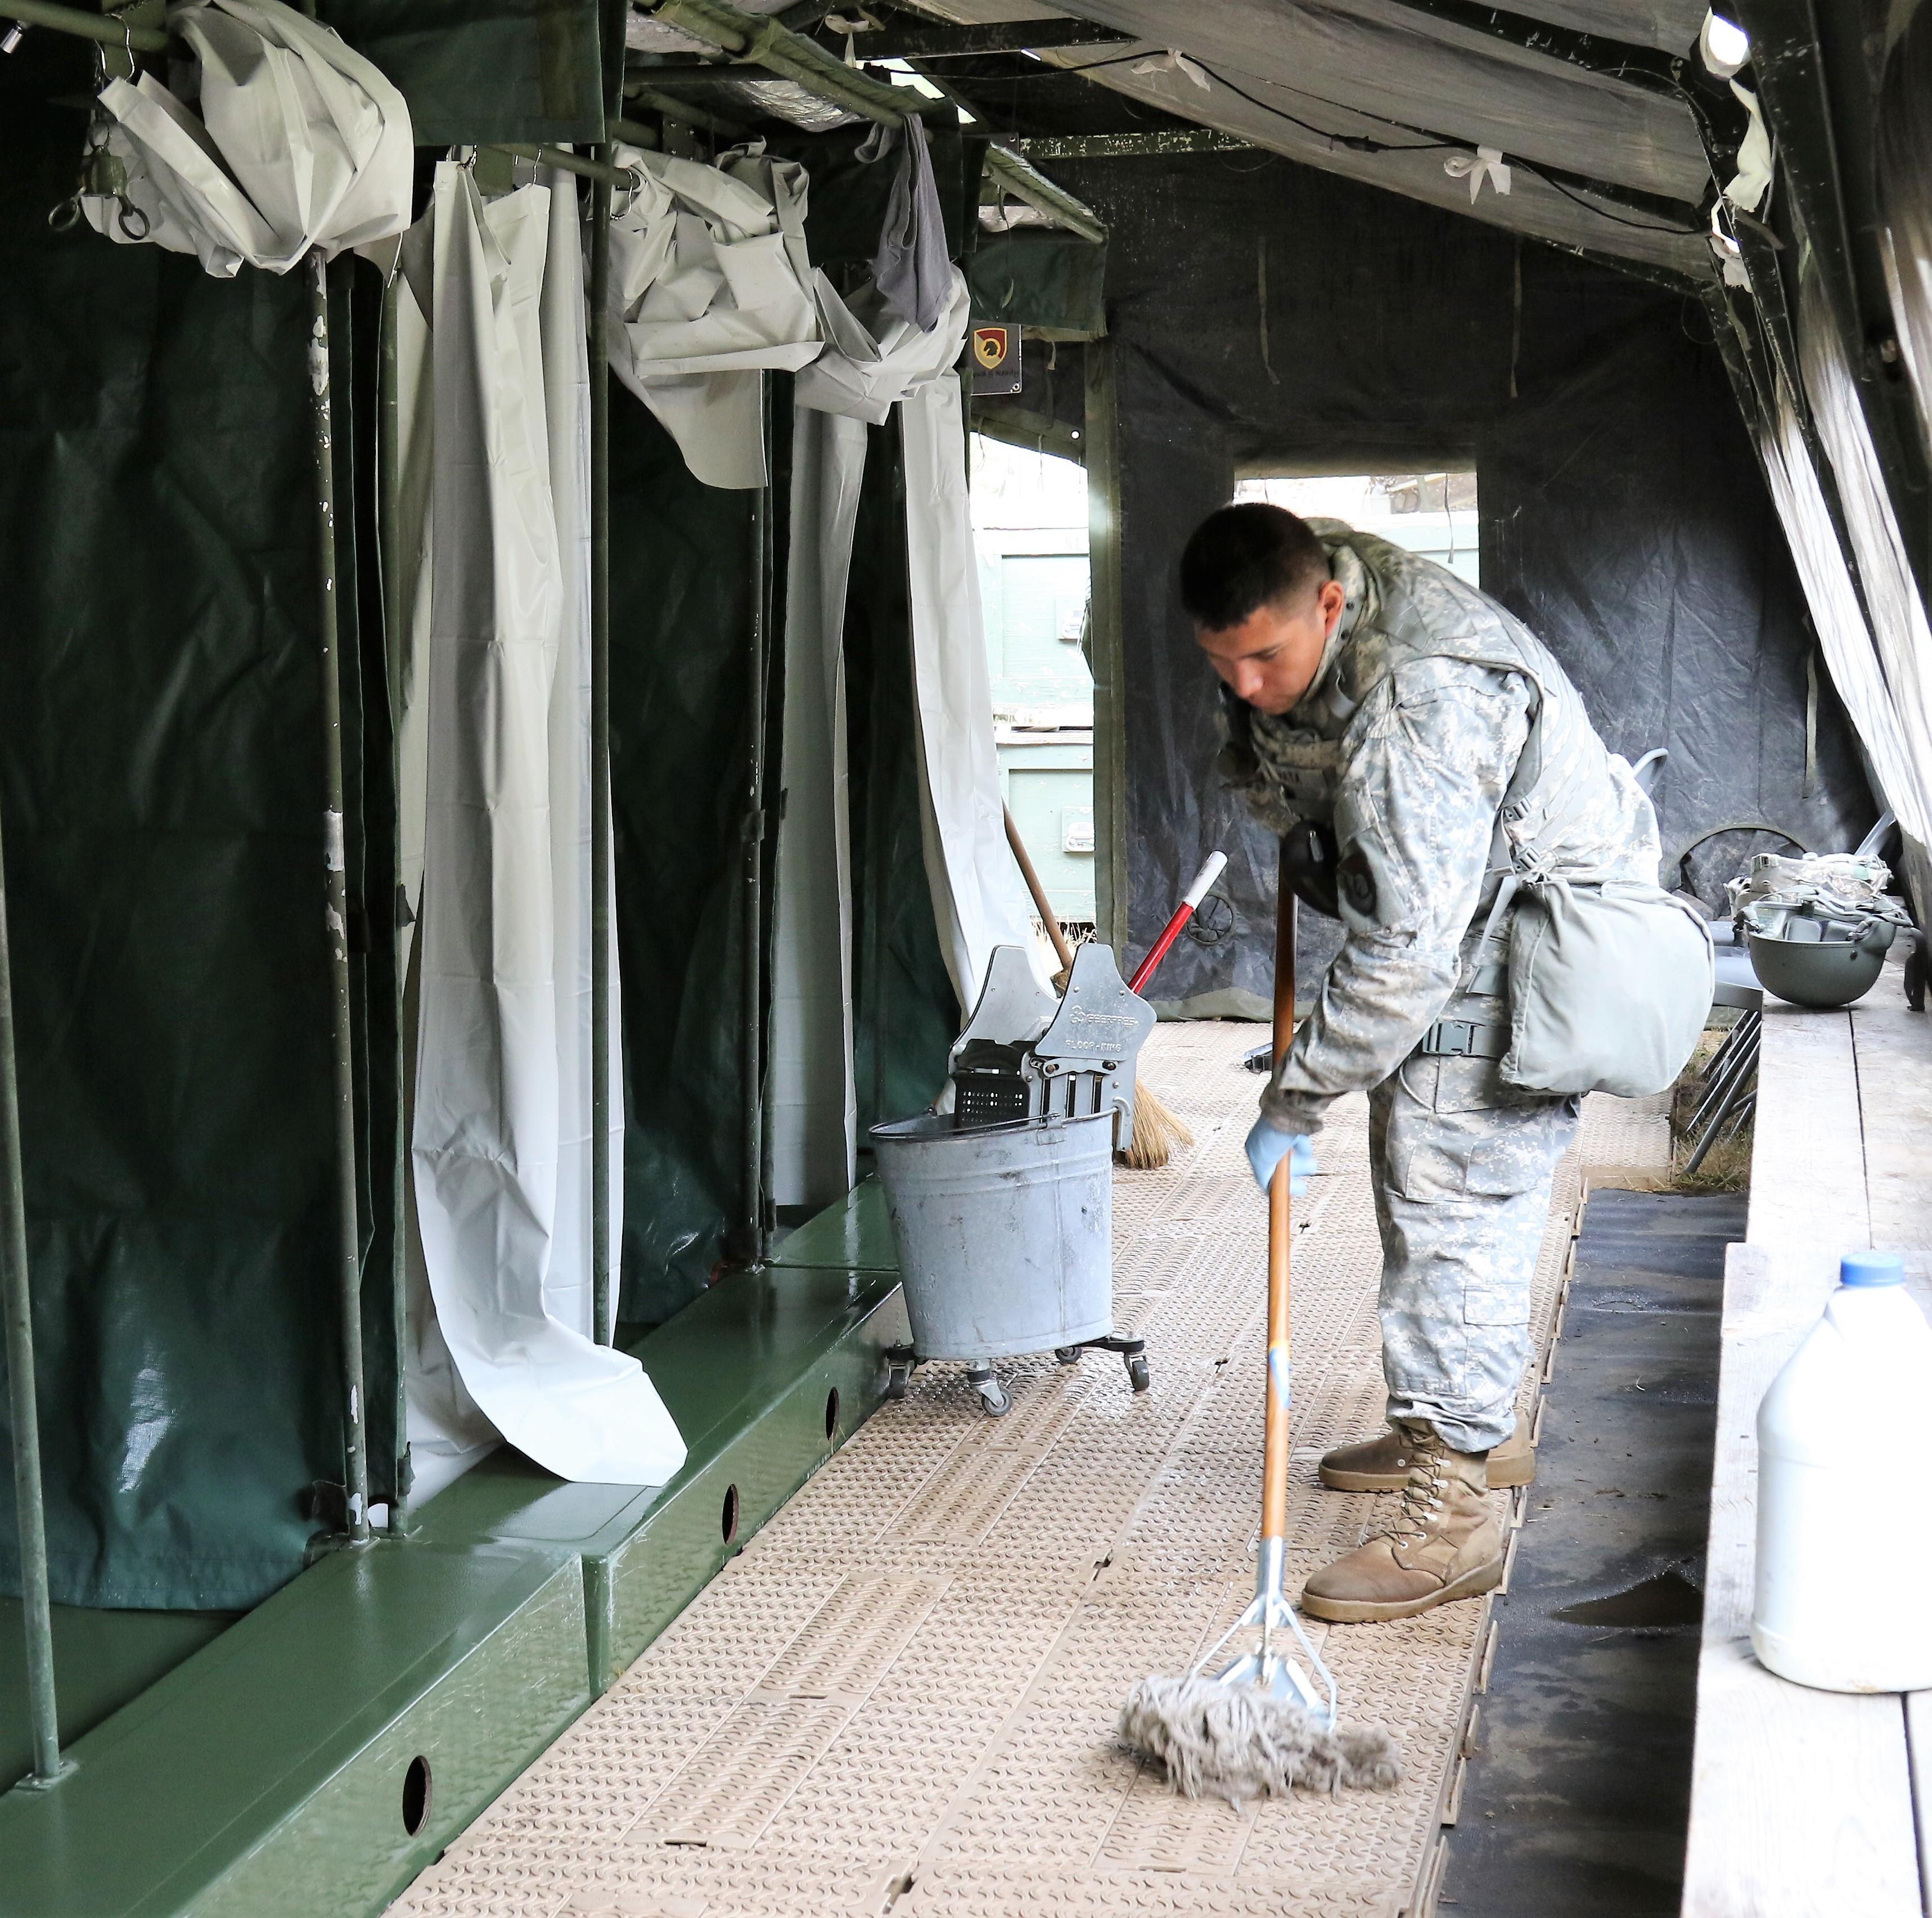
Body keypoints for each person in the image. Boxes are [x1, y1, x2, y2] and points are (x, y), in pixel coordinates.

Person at [1183, 502, 1661, 1624]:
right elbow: (1329, 795)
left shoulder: (1424, 702)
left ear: (1330, 606)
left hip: (1536, 937)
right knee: (1414, 1161)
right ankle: (1439, 1428)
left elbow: (1404, 957)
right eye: (1223, 664)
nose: (1246, 686)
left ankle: (1453, 1510)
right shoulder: (1321, 587)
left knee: (1451, 1188)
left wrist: (1293, 1096)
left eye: (1265, 657)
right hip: (1469, 906)